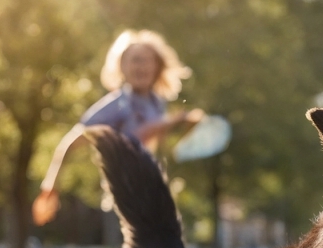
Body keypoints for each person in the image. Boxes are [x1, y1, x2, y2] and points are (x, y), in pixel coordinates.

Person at [32, 30, 203, 227]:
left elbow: (153, 143)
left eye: (147, 60)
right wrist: (50, 186)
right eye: (136, 60)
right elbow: (73, 141)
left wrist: (185, 127)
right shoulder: (117, 104)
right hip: (126, 192)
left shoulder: (156, 104)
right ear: (122, 67)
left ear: (157, 66)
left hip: (150, 187)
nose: (142, 66)